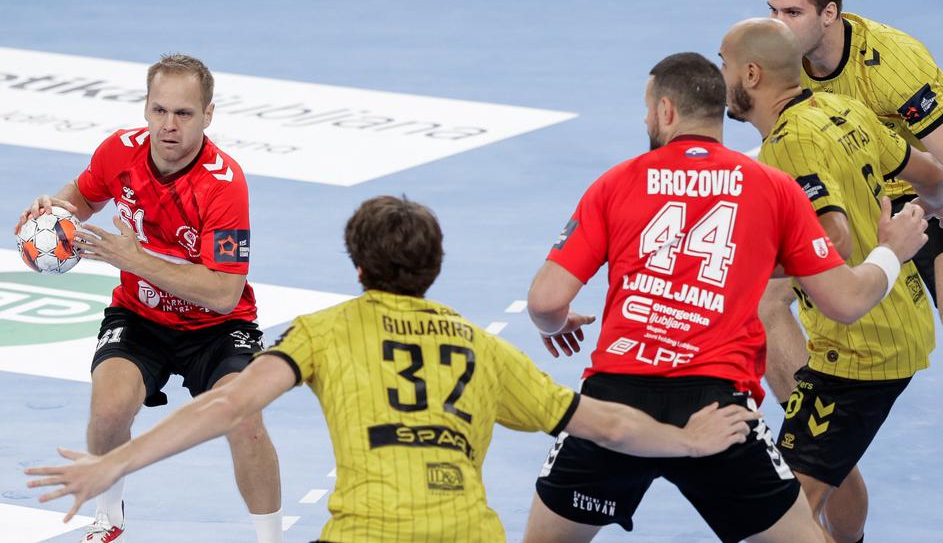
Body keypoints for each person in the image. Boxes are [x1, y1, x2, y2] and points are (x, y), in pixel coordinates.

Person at [26, 195, 762, 543]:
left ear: (356, 266)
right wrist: (688, 440)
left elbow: (226, 406)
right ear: (435, 268)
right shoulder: (479, 346)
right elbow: (604, 424)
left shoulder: (324, 332)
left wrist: (113, 463)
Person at [522, 52, 929, 543]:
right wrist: (890, 251)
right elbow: (846, 301)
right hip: (720, 412)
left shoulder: (616, 182)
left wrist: (556, 323)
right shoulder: (773, 187)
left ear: (666, 111)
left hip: (615, 402)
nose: (646, 120)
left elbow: (545, 302)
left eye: (648, 109)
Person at [13, 54, 283, 543]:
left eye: (183, 113)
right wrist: (53, 213)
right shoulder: (120, 151)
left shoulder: (224, 184)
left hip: (216, 328)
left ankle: (270, 539)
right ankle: (108, 516)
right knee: (108, 409)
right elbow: (83, 195)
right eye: (159, 110)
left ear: (208, 115)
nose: (168, 125)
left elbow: (225, 293)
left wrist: (135, 260)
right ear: (145, 107)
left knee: (246, 421)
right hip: (139, 315)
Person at [719, 18, 943, 542]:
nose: (719, 75)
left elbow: (833, 240)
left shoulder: (788, 146)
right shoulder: (843, 109)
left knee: (785, 520)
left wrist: (738, 263)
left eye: (723, 64)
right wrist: (908, 229)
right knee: (824, 478)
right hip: (898, 318)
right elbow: (934, 178)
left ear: (751, 75)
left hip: (859, 349)